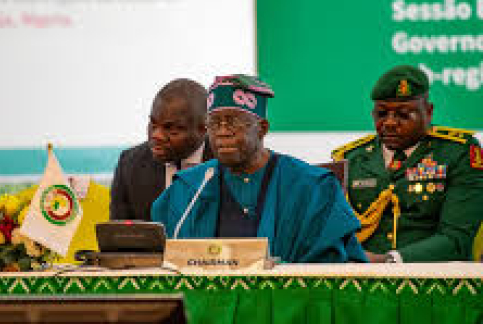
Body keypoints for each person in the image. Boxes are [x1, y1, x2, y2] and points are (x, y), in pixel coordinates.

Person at [152, 75, 367, 263]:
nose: (222, 132)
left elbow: (337, 268)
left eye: (233, 123)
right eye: (214, 124)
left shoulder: (312, 188)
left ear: (262, 129)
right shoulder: (189, 188)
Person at [332, 65, 483, 262]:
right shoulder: (351, 158)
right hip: (361, 273)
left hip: (435, 275)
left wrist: (389, 260)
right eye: (381, 114)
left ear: (428, 112)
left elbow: (456, 239)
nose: (389, 123)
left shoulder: (458, 153)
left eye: (403, 114)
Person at [110, 79, 213, 221]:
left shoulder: (224, 164)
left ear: (203, 129)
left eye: (171, 129)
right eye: (153, 124)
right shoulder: (129, 164)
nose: (156, 135)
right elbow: (118, 230)